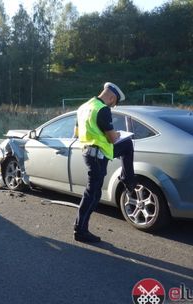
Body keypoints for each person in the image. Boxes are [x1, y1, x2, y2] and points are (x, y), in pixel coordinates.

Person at [73, 82, 137, 243]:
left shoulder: (84, 107)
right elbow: (111, 138)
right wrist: (117, 135)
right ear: (111, 97)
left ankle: (127, 178)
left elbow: (76, 133)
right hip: (98, 155)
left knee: (93, 193)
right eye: (115, 102)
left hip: (91, 153)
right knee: (92, 194)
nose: (113, 106)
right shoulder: (102, 109)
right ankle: (80, 231)